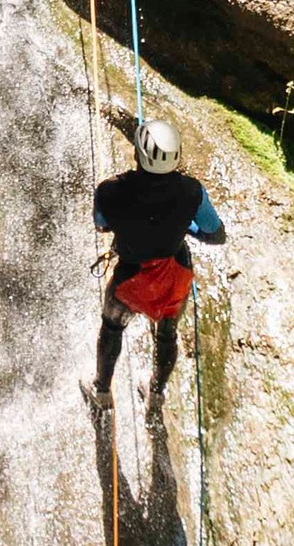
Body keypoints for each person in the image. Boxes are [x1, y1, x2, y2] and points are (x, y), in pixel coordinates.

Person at [87, 114, 224, 415]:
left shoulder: (109, 191)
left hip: (131, 278)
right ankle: (156, 395)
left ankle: (102, 391)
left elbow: (102, 225)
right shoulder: (192, 192)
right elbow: (215, 234)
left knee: (112, 327)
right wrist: (187, 227)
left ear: (137, 155)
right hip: (173, 275)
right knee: (166, 334)